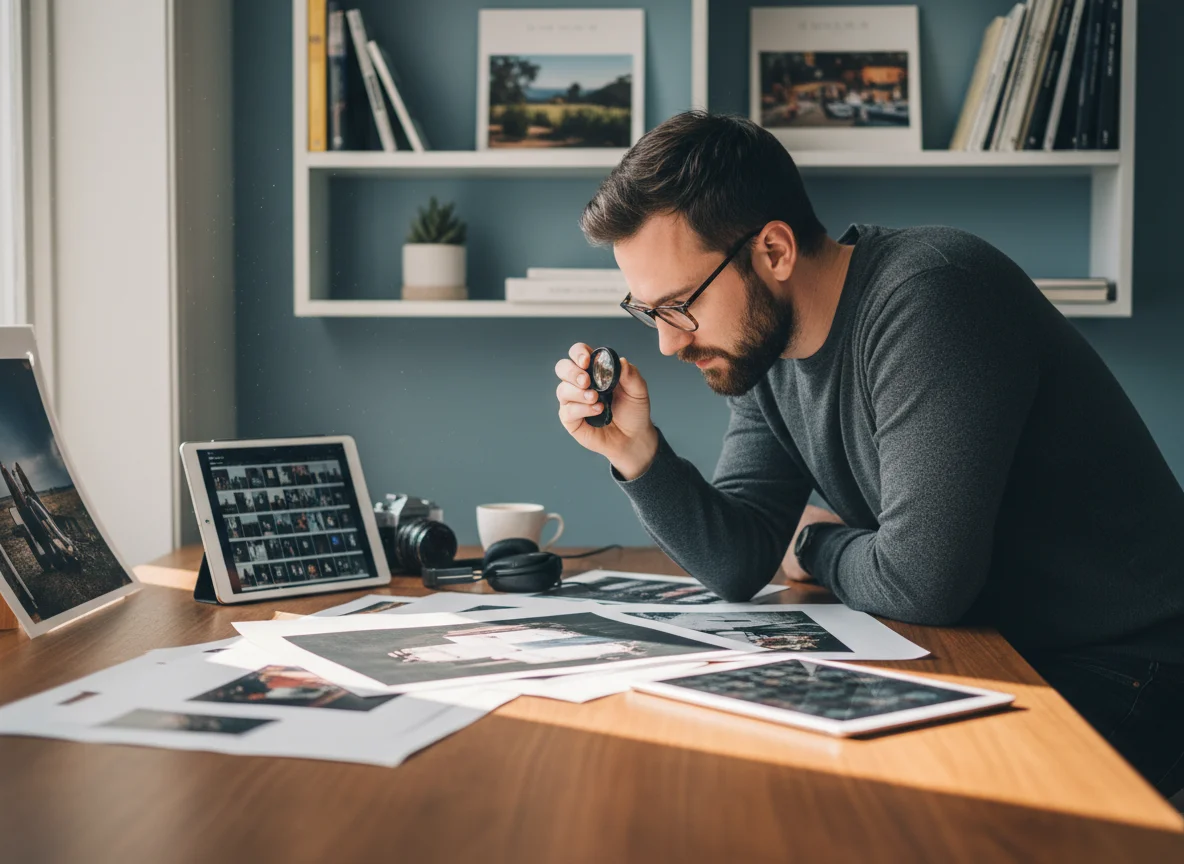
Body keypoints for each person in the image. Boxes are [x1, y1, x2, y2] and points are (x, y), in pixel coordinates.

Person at [553, 110, 1184, 799]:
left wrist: (818, 543)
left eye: (679, 306)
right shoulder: (767, 353)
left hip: (1129, 661)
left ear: (774, 251)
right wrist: (639, 454)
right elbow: (739, 562)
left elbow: (922, 583)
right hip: (992, 648)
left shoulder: (932, 294)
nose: (669, 344)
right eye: (649, 313)